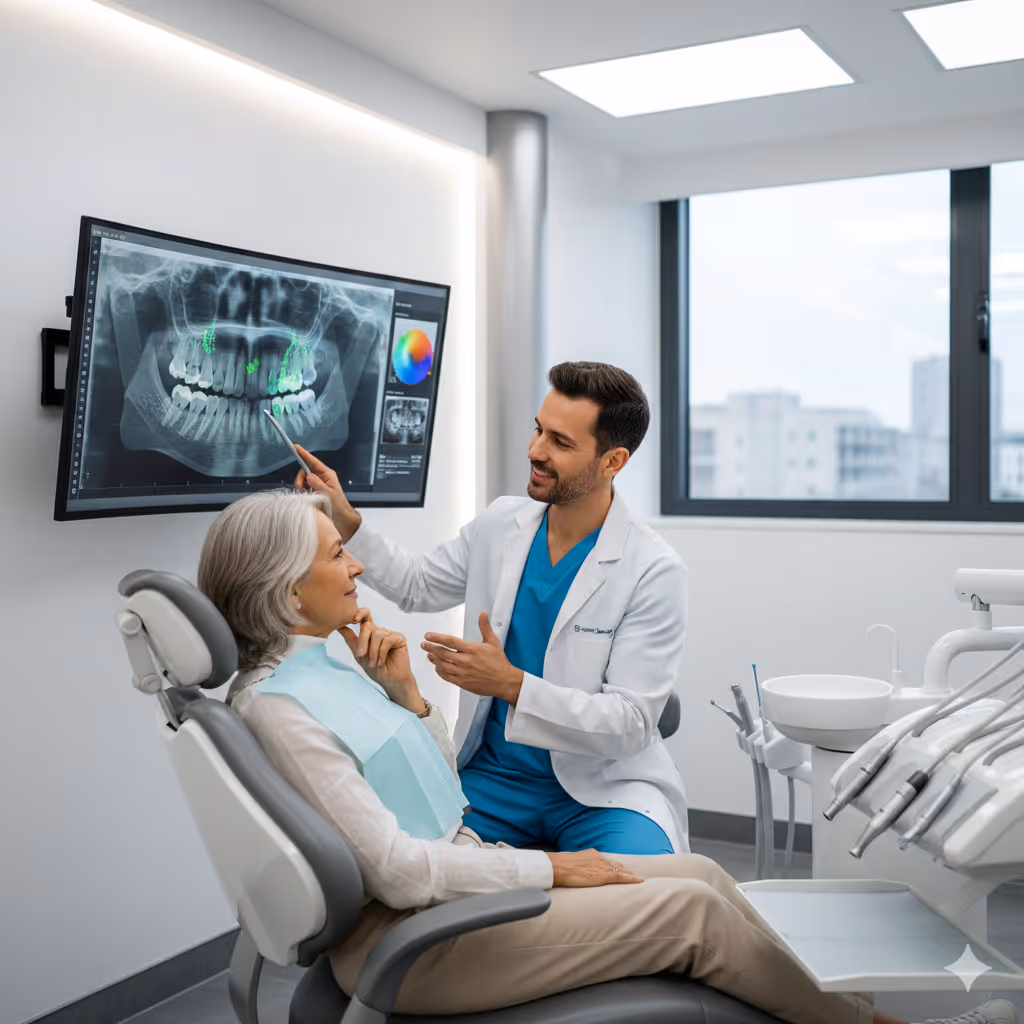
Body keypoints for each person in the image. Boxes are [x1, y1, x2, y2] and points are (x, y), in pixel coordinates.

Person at [197, 488, 1015, 1024]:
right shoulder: (282, 707)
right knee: (692, 917)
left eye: (558, 436)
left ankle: (833, 1009)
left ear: (610, 459)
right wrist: (558, 871)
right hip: (420, 940)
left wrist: (408, 697)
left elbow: (437, 801)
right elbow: (404, 871)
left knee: (704, 877)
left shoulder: (328, 668)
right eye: (335, 553)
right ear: (284, 588)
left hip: (464, 884)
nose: (358, 563)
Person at [293, 361, 689, 856]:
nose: (536, 452)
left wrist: (510, 684)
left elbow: (631, 722)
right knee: (406, 871)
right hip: (495, 779)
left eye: (561, 443)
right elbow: (418, 586)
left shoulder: (653, 569)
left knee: (639, 898)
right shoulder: (502, 523)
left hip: (604, 791)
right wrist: (349, 524)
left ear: (613, 462)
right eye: (539, 430)